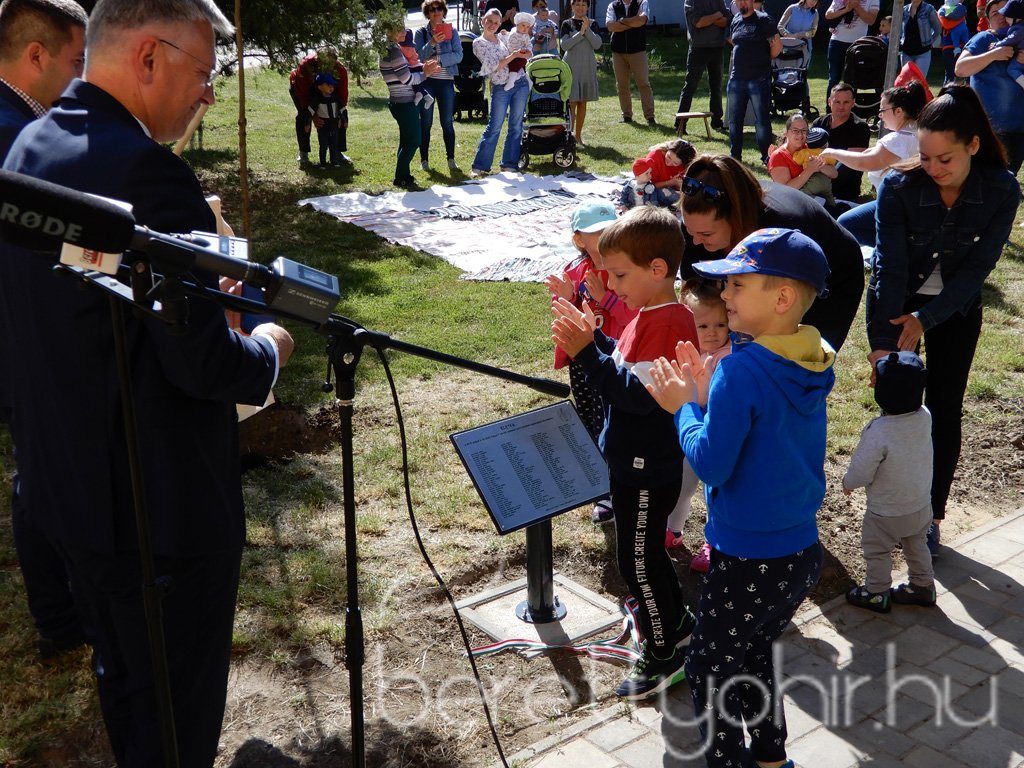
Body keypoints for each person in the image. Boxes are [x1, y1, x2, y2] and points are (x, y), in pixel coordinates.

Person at [0, 1, 296, 764]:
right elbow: (204, 364)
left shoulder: (31, 141)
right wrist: (268, 348)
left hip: (70, 495)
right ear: (150, 58)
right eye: (203, 74)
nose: (206, 94)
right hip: (158, 516)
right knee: (175, 719)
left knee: (126, 686)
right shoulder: (148, 175)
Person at [646, 227, 834, 768]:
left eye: (737, 284)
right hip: (799, 553)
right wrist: (708, 402)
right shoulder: (812, 356)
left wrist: (684, 406)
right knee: (754, 652)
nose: (724, 296)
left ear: (780, 298)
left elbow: (710, 464)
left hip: (746, 557)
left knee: (708, 667)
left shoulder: (739, 370)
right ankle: (772, 757)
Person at [550, 206, 698, 700]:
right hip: (632, 462)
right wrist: (596, 337)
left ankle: (663, 656)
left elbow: (637, 397)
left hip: (644, 467)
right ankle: (675, 624)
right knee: (645, 556)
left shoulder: (666, 320)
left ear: (658, 269)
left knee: (638, 563)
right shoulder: (650, 314)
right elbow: (625, 364)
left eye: (619, 274)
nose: (611, 284)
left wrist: (586, 352)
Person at [866, 84, 1020, 558]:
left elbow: (978, 270)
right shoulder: (898, 186)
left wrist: (926, 318)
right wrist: (884, 340)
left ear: (973, 145)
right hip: (898, 304)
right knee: (897, 411)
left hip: (954, 309)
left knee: (944, 410)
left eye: (945, 159)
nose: (933, 169)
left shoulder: (1001, 189)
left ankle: (931, 516)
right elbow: (889, 266)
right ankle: (891, 511)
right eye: (926, 157)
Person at [0, 0, 87, 663]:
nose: (81, 79)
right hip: (20, 329)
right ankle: (59, 619)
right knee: (41, 470)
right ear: (36, 56)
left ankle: (61, 610)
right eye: (74, 62)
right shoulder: (11, 133)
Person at [680, 154, 864, 352]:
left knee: (799, 358)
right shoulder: (697, 224)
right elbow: (693, 293)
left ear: (737, 219)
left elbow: (776, 308)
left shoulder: (782, 229)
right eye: (690, 231)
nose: (696, 241)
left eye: (705, 234)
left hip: (834, 274)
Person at [544, 201, 636, 524]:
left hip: (612, 357)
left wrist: (607, 297)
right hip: (581, 360)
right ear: (579, 239)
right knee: (587, 420)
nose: (604, 235)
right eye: (595, 232)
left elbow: (633, 316)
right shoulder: (575, 271)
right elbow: (564, 316)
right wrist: (568, 296)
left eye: (608, 228)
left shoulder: (623, 268)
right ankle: (598, 484)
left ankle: (611, 489)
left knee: (609, 423)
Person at [843, 351, 937, 613]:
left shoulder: (880, 431)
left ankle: (875, 592)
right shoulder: (925, 416)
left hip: (886, 512)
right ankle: (923, 586)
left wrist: (849, 482)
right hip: (920, 506)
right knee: (916, 544)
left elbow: (863, 469)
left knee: (877, 550)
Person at [664, 277, 729, 574]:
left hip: (719, 434)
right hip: (691, 431)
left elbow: (703, 396)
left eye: (720, 324)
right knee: (682, 484)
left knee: (716, 492)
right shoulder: (687, 352)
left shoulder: (731, 356)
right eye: (703, 326)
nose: (714, 333)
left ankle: (714, 544)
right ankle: (673, 530)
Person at [823, 80, 927, 247]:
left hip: (900, 208)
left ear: (898, 111)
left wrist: (832, 152)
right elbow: (867, 154)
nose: (879, 115)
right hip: (908, 204)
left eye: (882, 110)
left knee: (846, 222)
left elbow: (865, 163)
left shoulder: (898, 140)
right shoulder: (914, 132)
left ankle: (897, 249)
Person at [955, 0, 1024, 173]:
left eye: (1004, 11)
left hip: (1020, 127)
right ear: (987, 20)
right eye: (995, 13)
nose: (1001, 15)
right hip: (990, 129)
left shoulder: (1021, 37)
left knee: (1008, 178)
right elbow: (960, 69)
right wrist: (993, 55)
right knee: (988, 178)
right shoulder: (984, 38)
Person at [470, 8, 530, 175]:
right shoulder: (479, 43)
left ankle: (509, 164)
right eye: (489, 21)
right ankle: (480, 166)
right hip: (500, 87)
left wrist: (521, 50)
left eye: (496, 22)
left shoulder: (502, 38)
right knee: (494, 126)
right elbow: (494, 66)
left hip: (520, 82)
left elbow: (519, 41)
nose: (492, 25)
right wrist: (514, 56)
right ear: (483, 20)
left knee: (516, 126)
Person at [381, 22, 441, 188]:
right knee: (414, 140)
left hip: (399, 103)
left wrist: (424, 69)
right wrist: (425, 74)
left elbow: (407, 73)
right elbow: (407, 79)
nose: (403, 32)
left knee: (406, 141)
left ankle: (403, 175)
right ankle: (400, 176)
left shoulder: (391, 49)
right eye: (399, 29)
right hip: (405, 104)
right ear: (389, 30)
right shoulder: (394, 51)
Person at [726, 0, 782, 166]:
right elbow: (735, 42)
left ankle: (767, 158)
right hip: (736, 79)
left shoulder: (764, 20)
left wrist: (763, 59)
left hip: (759, 79)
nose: (742, 2)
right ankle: (735, 157)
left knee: (762, 120)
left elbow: (777, 47)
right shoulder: (736, 19)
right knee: (735, 121)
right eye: (738, 0)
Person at [415, 0, 464, 173]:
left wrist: (439, 60)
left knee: (447, 122)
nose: (436, 12)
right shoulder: (421, 32)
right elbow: (418, 56)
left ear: (444, 12)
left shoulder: (453, 31)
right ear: (427, 13)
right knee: (426, 123)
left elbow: (459, 55)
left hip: (446, 82)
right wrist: (433, 42)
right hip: (427, 81)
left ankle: (451, 159)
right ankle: (424, 160)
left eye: (439, 9)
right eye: (432, 10)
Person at [289, 47, 350, 168]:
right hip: (302, 89)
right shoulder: (306, 65)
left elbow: (342, 95)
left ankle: (337, 151)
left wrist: (338, 115)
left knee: (341, 117)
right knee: (303, 117)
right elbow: (304, 96)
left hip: (328, 88)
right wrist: (314, 116)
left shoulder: (340, 69)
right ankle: (303, 153)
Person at [675, 0, 729, 134]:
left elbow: (727, 20)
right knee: (690, 87)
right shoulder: (691, 1)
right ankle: (680, 124)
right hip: (698, 48)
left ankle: (717, 121)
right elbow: (698, 22)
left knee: (716, 87)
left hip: (717, 47)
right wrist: (716, 15)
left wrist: (710, 19)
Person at [811, 81, 872, 199]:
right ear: (829, 102)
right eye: (837, 102)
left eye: (846, 102)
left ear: (853, 103)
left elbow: (848, 166)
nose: (841, 106)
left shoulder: (859, 127)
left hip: (843, 189)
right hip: (815, 178)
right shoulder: (819, 123)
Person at [768, 113, 839, 205]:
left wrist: (819, 166)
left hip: (820, 198)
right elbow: (785, 191)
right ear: (786, 133)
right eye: (795, 130)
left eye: (804, 130)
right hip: (793, 204)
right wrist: (809, 170)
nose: (800, 135)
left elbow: (834, 174)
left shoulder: (810, 148)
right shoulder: (778, 156)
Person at [605, 0, 655, 124]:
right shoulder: (613, 5)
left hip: (637, 50)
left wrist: (621, 21)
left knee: (643, 83)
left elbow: (642, 20)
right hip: (618, 52)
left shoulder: (642, 3)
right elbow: (611, 26)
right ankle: (627, 116)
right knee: (622, 85)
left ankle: (650, 116)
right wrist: (633, 22)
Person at [560, 0, 601, 145]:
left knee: (583, 102)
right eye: (577, 4)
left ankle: (578, 136)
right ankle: (568, 136)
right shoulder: (566, 23)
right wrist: (580, 33)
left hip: (587, 66)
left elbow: (597, 44)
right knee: (571, 102)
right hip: (571, 66)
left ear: (588, 7)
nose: (580, 8)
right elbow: (564, 45)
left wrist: (587, 29)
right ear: (572, 6)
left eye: (583, 5)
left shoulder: (593, 23)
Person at [824, 0, 879, 101]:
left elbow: (871, 20)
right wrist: (846, 9)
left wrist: (857, 7)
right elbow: (828, 15)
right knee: (834, 78)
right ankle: (830, 110)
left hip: (857, 45)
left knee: (853, 80)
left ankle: (851, 109)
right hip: (837, 42)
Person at [643, 137, 697, 201]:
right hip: (651, 189)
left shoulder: (686, 166)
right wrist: (670, 182)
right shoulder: (655, 156)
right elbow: (647, 186)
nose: (669, 163)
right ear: (668, 149)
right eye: (668, 157)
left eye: (675, 163)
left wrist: (680, 185)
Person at [899, 0, 942, 78]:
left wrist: (930, 42)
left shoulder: (929, 9)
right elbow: (898, 30)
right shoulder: (904, 10)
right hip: (906, 52)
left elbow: (938, 28)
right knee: (905, 81)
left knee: (920, 81)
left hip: (923, 52)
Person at [308, 73, 344, 166]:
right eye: (328, 85)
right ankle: (322, 163)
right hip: (323, 126)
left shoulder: (336, 98)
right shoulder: (317, 99)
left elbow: (342, 110)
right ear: (319, 87)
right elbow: (309, 112)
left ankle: (334, 161)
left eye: (332, 85)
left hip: (334, 125)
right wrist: (307, 123)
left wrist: (344, 119)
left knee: (333, 145)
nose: (331, 87)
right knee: (323, 145)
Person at [991, 0, 1024, 89]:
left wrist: (996, 45)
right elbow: (1006, 31)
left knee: (1012, 69)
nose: (1005, 18)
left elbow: (1010, 39)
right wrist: (996, 31)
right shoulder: (1018, 26)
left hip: (1021, 58)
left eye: (1008, 16)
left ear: (1016, 17)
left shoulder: (1020, 30)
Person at [399, 29, 436, 108]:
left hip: (414, 66)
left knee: (414, 81)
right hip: (416, 66)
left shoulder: (408, 49)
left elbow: (414, 58)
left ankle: (418, 94)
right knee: (418, 85)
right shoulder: (407, 47)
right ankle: (427, 97)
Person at [938, 0, 970, 82]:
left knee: (963, 74)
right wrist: (960, 21)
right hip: (950, 47)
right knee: (951, 74)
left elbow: (946, 24)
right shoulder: (960, 9)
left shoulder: (959, 8)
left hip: (958, 46)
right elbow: (946, 25)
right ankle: (948, 92)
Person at [504, 11, 535, 89]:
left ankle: (511, 81)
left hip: (520, 55)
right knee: (522, 70)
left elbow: (529, 45)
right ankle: (529, 81)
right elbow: (511, 36)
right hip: (512, 53)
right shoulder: (513, 30)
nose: (525, 28)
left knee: (514, 65)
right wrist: (506, 33)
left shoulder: (525, 36)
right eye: (523, 25)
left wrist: (527, 50)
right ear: (517, 24)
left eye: (528, 27)